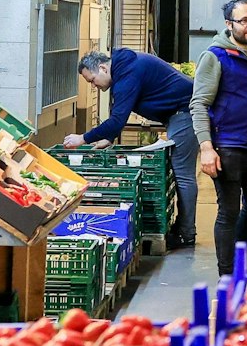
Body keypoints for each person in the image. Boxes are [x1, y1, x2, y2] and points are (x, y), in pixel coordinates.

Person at [68, 48, 198, 250]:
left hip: (185, 112)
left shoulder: (127, 73)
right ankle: (182, 228)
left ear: (103, 68)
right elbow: (121, 111)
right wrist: (109, 137)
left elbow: (117, 120)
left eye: (92, 80)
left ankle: (186, 234)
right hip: (177, 114)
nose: (94, 86)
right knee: (180, 171)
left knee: (183, 173)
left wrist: (83, 138)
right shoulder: (123, 68)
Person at [190, 0, 247, 276]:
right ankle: (227, 274)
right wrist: (206, 147)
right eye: (243, 20)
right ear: (229, 24)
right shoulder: (215, 56)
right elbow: (199, 104)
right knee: (228, 211)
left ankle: (240, 261)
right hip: (227, 146)